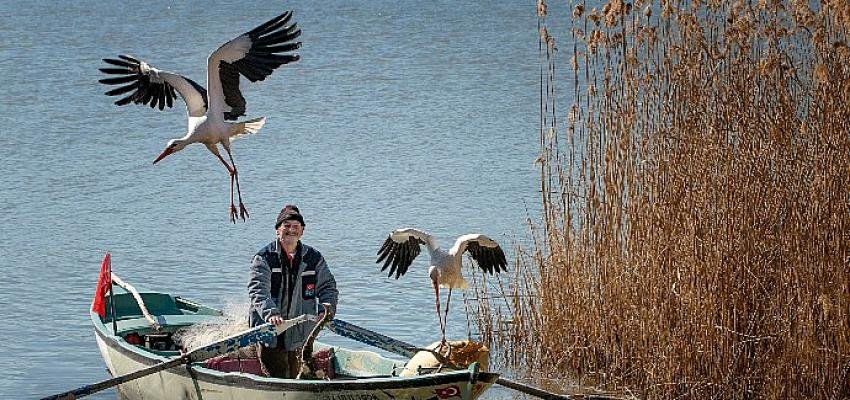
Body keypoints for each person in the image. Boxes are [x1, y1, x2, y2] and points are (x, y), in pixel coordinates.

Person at [248, 204, 338, 378]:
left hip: (300, 331)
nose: (291, 230)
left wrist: (326, 308)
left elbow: (328, 288)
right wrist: (271, 313)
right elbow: (257, 290)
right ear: (277, 231)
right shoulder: (264, 258)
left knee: (299, 373)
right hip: (271, 332)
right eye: (286, 226)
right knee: (278, 375)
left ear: (302, 231)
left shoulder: (314, 258)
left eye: (295, 227)